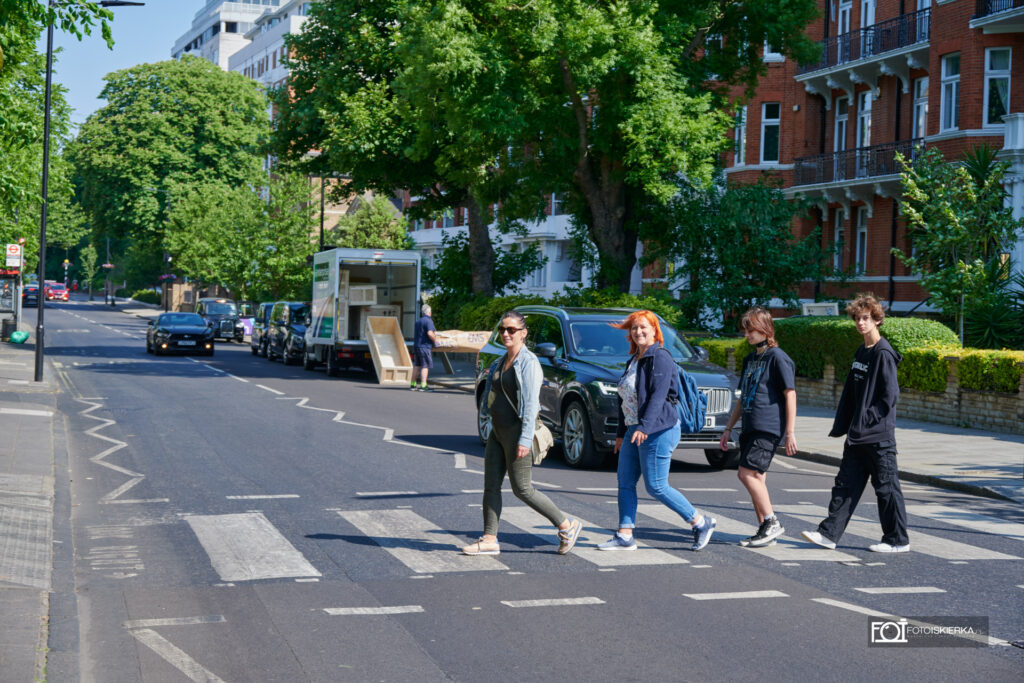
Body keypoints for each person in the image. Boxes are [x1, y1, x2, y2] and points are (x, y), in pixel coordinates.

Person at [462, 311, 583, 556]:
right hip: (498, 432)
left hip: (517, 433)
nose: (506, 333)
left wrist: (525, 439)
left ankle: (566, 525)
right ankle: (489, 539)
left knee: (522, 489)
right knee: (491, 487)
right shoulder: (500, 361)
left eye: (512, 330)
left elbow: (530, 404)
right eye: (503, 330)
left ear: (523, 333)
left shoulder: (528, 362)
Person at [597, 310, 716, 553]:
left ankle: (701, 522)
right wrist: (621, 433)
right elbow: (626, 399)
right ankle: (625, 535)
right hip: (634, 430)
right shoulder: (634, 360)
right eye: (634, 328)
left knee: (657, 486)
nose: (638, 331)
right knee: (625, 482)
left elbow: (658, 397)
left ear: (654, 331)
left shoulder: (660, 357)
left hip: (659, 429)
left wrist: (644, 427)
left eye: (643, 327)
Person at [802, 294, 910, 553]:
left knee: (886, 489)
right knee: (845, 485)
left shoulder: (883, 354)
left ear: (877, 320)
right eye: (858, 319)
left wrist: (866, 419)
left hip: (878, 436)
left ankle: (897, 540)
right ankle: (828, 535)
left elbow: (889, 397)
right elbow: (852, 391)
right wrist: (847, 423)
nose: (861, 323)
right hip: (858, 434)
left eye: (866, 318)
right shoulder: (862, 351)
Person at [719, 307, 797, 547]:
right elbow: (743, 398)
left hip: (768, 426)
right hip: (750, 425)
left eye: (751, 329)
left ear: (765, 329)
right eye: (745, 330)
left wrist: (790, 432)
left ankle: (772, 522)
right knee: (757, 478)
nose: (747, 335)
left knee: (746, 473)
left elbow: (790, 393)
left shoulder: (778, 357)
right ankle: (765, 529)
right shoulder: (751, 359)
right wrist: (729, 427)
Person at [411, 304, 436, 392]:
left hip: (417, 346)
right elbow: (430, 333)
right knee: (425, 366)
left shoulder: (418, 321)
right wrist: (435, 341)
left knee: (416, 366)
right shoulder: (429, 321)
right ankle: (423, 386)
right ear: (429, 312)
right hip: (424, 347)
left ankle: (413, 385)